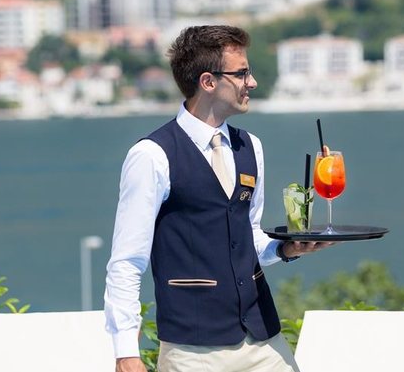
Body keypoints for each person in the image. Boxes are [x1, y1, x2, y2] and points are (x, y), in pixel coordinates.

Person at [104, 25, 331, 372]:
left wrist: (286, 248)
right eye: (241, 74)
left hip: (263, 339)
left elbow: (249, 237)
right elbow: (127, 260)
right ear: (208, 82)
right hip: (192, 350)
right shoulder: (152, 155)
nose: (252, 82)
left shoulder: (251, 146)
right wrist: (126, 351)